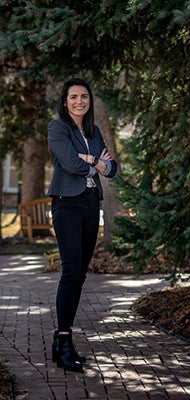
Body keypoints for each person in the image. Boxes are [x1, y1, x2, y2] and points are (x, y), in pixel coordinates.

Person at [47, 77, 118, 372]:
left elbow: (112, 168)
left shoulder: (94, 130)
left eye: (84, 96)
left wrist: (95, 161)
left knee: (80, 275)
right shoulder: (57, 127)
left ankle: (63, 341)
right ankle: (63, 339)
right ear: (66, 101)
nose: (80, 101)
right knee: (70, 270)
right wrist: (95, 163)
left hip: (91, 203)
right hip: (67, 203)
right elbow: (69, 163)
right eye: (74, 96)